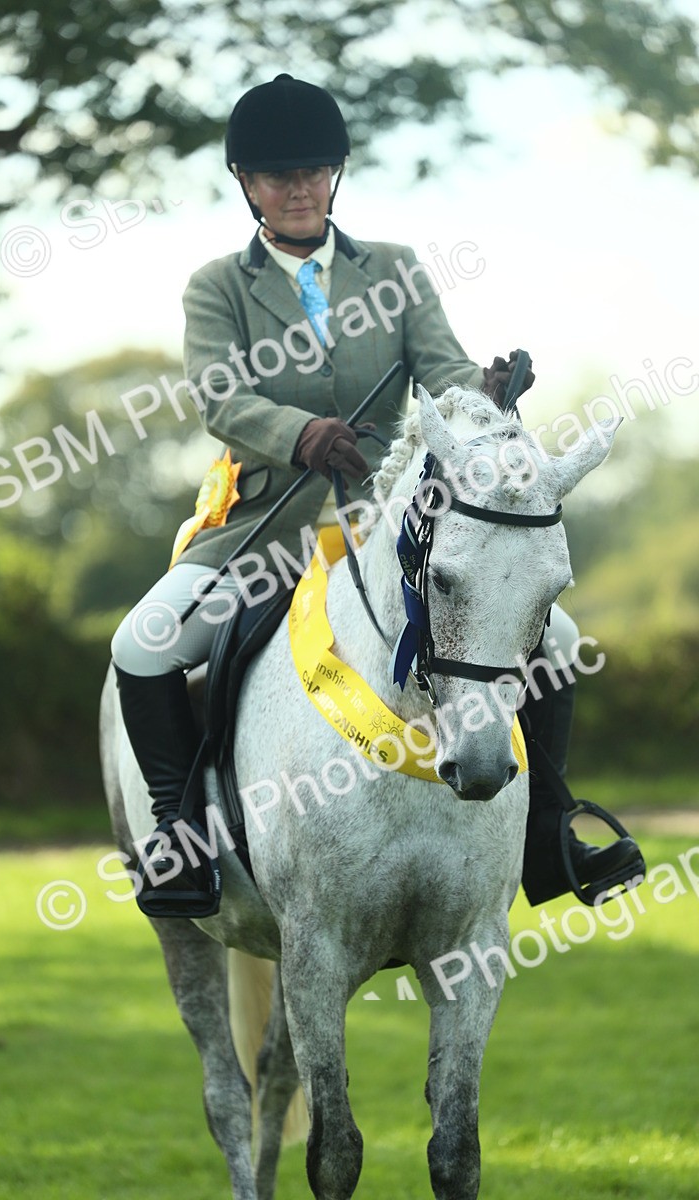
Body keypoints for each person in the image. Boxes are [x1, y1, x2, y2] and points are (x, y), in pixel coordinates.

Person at [111, 73, 643, 917]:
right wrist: (298, 432)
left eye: (314, 171)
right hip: (262, 533)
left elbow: (443, 374)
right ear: (246, 185)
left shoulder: (394, 271)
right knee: (141, 647)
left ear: (336, 175)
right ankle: (181, 837)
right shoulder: (216, 287)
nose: (298, 189)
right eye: (278, 175)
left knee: (561, 634)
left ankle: (548, 830)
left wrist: (489, 384)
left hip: (383, 529)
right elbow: (220, 397)